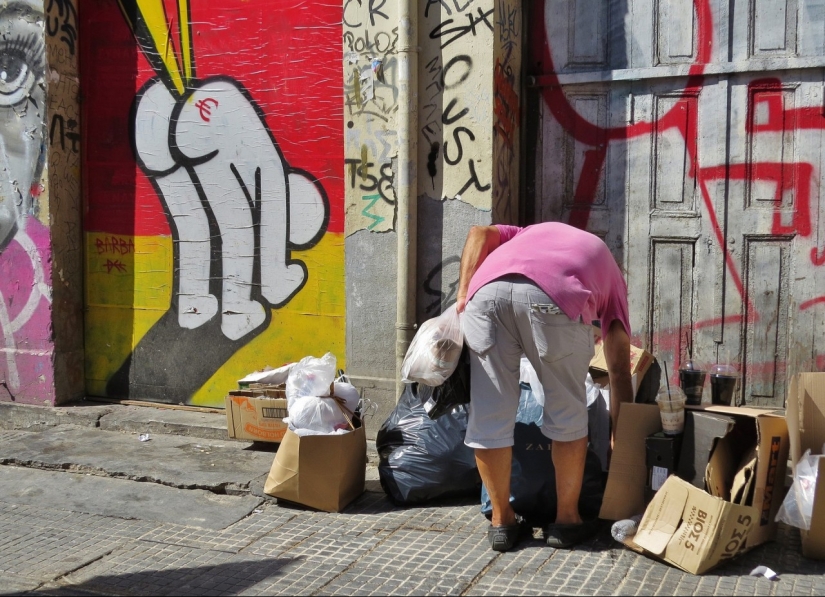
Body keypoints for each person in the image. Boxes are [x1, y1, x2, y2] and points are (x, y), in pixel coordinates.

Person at [455, 222, 633, 552]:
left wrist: (464, 293)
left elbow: (477, 232)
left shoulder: (524, 233)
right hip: (555, 296)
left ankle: (501, 521)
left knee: (489, 415)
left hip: (485, 294)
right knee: (567, 411)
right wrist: (620, 436)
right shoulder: (611, 273)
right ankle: (566, 522)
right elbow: (620, 369)